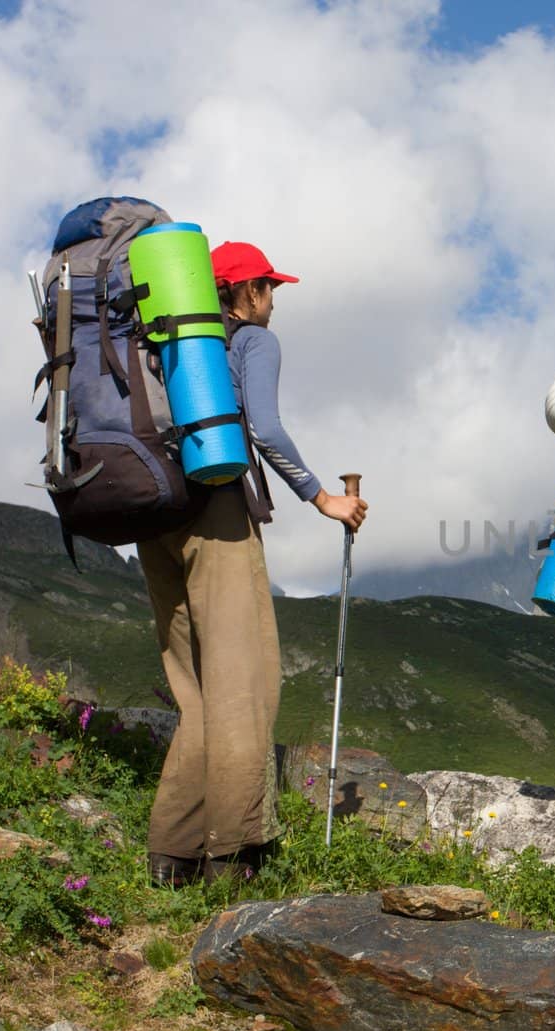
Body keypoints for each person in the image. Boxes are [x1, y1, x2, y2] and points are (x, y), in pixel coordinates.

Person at [139, 240, 367, 886]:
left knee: (196, 689)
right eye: (267, 287)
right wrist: (321, 496)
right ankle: (235, 854)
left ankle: (172, 856)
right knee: (246, 682)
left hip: (154, 515)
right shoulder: (252, 344)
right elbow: (263, 428)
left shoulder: (164, 348)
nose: (272, 300)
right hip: (216, 508)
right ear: (244, 292)